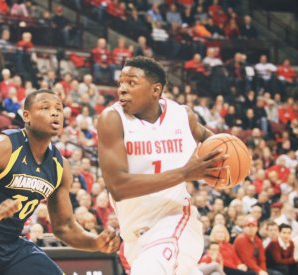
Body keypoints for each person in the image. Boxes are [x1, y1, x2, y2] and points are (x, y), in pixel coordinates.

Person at [0, 89, 120, 274]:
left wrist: (94, 242)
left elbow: (64, 226)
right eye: (45, 107)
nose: (55, 112)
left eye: (58, 108)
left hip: (10, 242)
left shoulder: (60, 167)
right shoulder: (3, 146)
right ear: (27, 116)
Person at [96, 56, 228, 274]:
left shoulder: (182, 116)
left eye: (131, 82)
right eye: (120, 82)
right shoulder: (112, 119)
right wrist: (185, 173)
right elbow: (118, 187)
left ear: (155, 90)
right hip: (134, 233)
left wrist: (227, 164)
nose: (122, 89)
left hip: (176, 219)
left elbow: (219, 146)